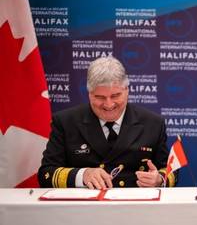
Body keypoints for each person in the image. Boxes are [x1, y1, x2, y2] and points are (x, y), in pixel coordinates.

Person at [38, 56, 177, 189]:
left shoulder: (153, 123)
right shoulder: (65, 122)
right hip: (83, 209)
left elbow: (170, 170)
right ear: (89, 93)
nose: (108, 104)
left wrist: (159, 179)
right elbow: (46, 174)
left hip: (135, 208)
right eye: (100, 97)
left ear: (127, 90)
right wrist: (82, 175)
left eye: (115, 96)